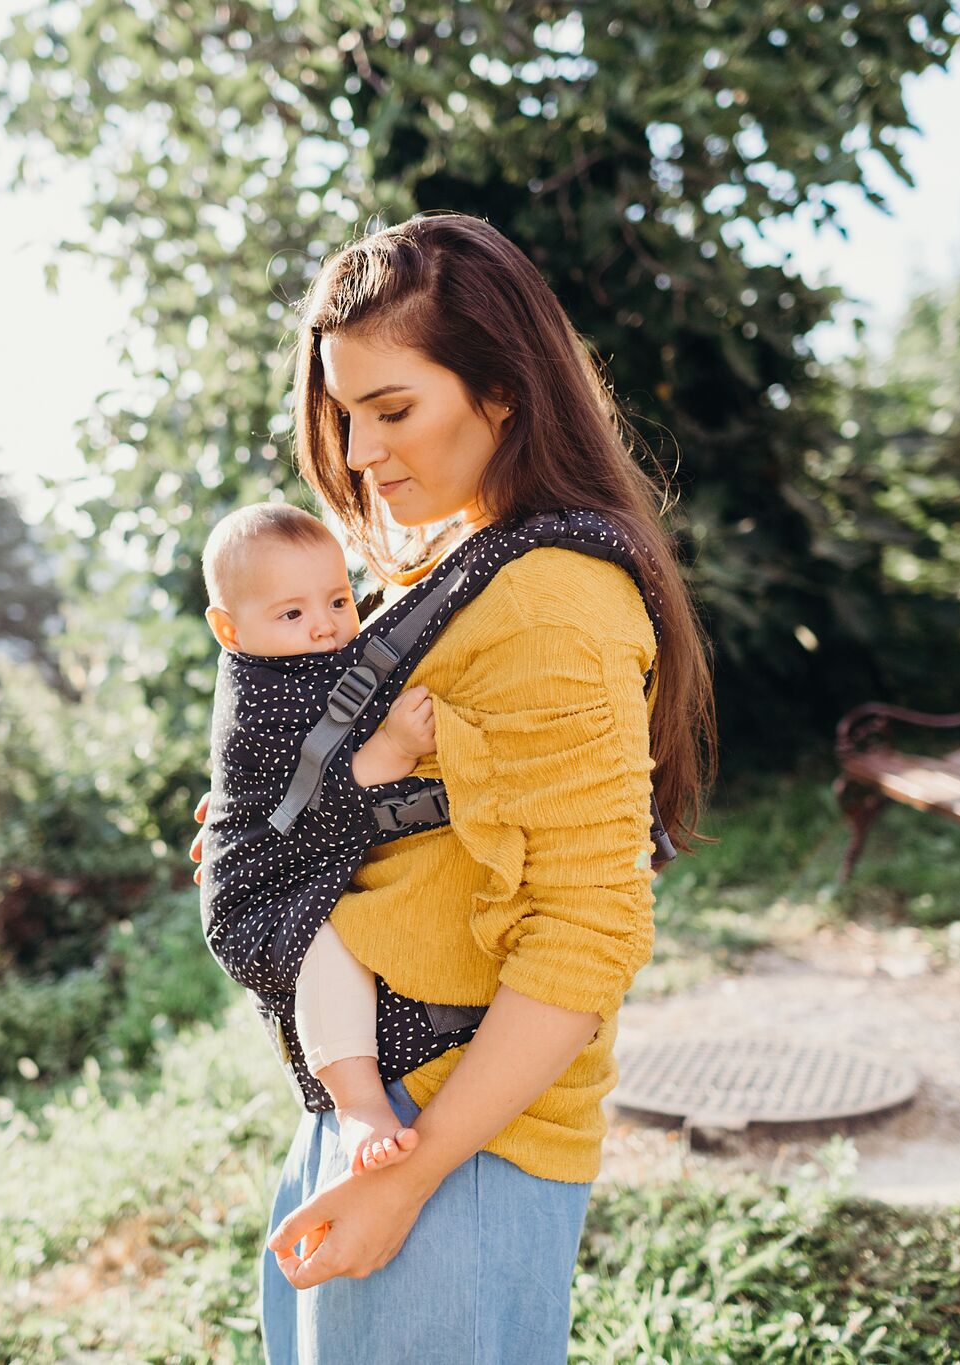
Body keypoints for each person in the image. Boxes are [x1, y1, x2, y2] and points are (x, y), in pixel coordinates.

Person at [188, 211, 716, 1364]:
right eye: (343, 413)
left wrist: (411, 1176)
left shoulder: (548, 606)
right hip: (386, 1109)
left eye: (393, 410)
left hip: (453, 1148)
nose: (361, 451)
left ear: (503, 393)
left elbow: (586, 931)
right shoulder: (457, 565)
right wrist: (296, 821)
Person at [199, 500, 438, 1174]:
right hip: (259, 893)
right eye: (293, 613)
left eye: (337, 599)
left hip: (298, 860)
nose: (327, 625)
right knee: (329, 947)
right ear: (230, 628)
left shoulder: (304, 658)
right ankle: (359, 1104)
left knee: (343, 938)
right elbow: (317, 783)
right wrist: (390, 747)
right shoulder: (258, 696)